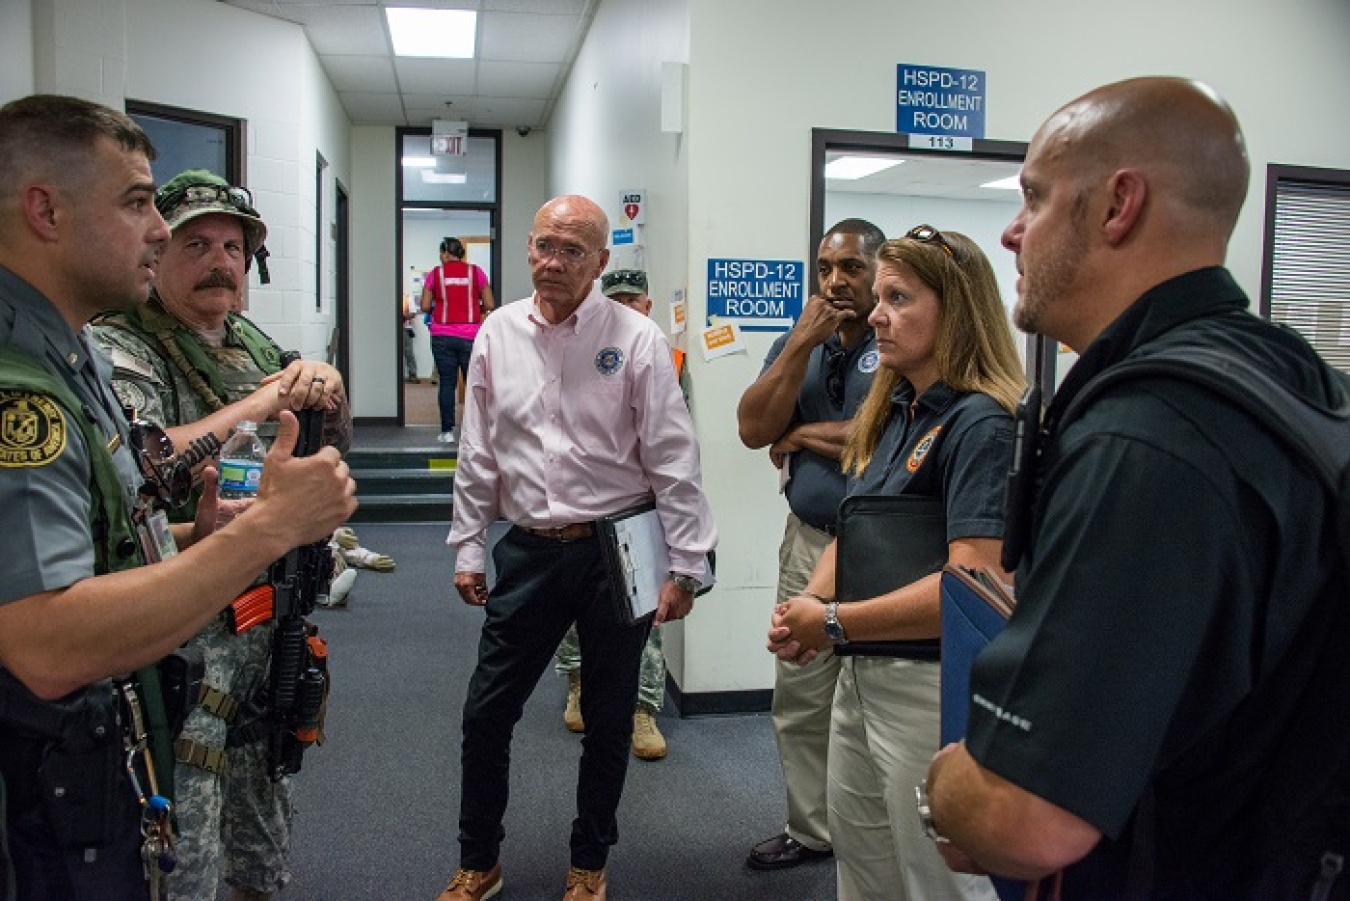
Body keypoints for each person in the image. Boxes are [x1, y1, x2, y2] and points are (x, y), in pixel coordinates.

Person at [923, 77, 1350, 896]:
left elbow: (1024, 817)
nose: (1011, 233)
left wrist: (943, 784)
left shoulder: (1147, 439)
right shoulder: (1288, 375)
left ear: (1119, 204)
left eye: (1035, 199)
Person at [0, 94, 355, 901]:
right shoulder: (31, 385)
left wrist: (210, 537)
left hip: (192, 665)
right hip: (70, 744)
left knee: (252, 840)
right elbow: (47, 644)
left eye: (231, 246)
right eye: (138, 204)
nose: (159, 233)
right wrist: (265, 527)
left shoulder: (70, 348)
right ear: (45, 210)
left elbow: (120, 530)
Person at [88, 168, 355, 901]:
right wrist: (264, 401)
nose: (219, 262)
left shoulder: (249, 339)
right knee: (181, 863)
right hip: (181, 641)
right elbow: (143, 469)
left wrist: (324, 385)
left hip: (264, 636)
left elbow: (319, 445)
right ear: (160, 254)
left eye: (233, 247)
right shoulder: (121, 344)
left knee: (259, 853)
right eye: (197, 243)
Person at [440, 196, 716, 901]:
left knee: (609, 716)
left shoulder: (638, 338)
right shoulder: (498, 333)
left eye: (572, 250)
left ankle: (589, 862)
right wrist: (469, 546)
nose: (553, 261)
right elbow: (478, 453)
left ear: (599, 261)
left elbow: (672, 458)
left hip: (615, 554)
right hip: (529, 549)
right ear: (528, 247)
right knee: (485, 711)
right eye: (544, 245)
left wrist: (689, 562)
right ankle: (480, 860)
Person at [767, 227, 1021, 900]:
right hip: (861, 674)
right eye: (879, 297)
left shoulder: (982, 425)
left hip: (926, 688)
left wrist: (835, 620)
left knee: (931, 875)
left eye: (898, 297)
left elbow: (974, 586)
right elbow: (859, 526)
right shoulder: (898, 408)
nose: (875, 313)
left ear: (956, 309)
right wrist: (808, 612)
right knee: (864, 858)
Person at [736, 218, 885, 871]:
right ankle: (811, 827)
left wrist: (798, 438)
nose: (836, 281)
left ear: (882, 269)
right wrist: (799, 343)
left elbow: (879, 437)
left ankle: (879, 829)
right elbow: (751, 425)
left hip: (882, 551)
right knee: (800, 689)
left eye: (851, 267)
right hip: (807, 543)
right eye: (826, 268)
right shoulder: (801, 343)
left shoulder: (903, 340)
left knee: (880, 693)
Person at [554, 268, 673, 761]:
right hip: (582, 505)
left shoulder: (668, 355)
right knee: (574, 606)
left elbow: (672, 442)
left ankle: (642, 709)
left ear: (648, 305)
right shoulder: (576, 350)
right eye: (615, 299)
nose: (624, 307)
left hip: (641, 511)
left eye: (633, 299)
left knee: (646, 613)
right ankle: (579, 683)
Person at [420, 236, 495, 444]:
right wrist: (472, 310)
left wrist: (442, 304)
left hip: (442, 336)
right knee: (474, 383)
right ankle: (477, 432)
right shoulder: (475, 272)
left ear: (445, 253)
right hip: (471, 336)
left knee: (447, 383)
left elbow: (425, 306)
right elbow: (489, 303)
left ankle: (446, 432)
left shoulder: (436, 274)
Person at [403, 293, 420, 382]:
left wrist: (404, 317)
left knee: (408, 352)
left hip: (405, 328)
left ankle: (412, 374)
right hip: (392, 329)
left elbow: (413, 313)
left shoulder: (407, 298)